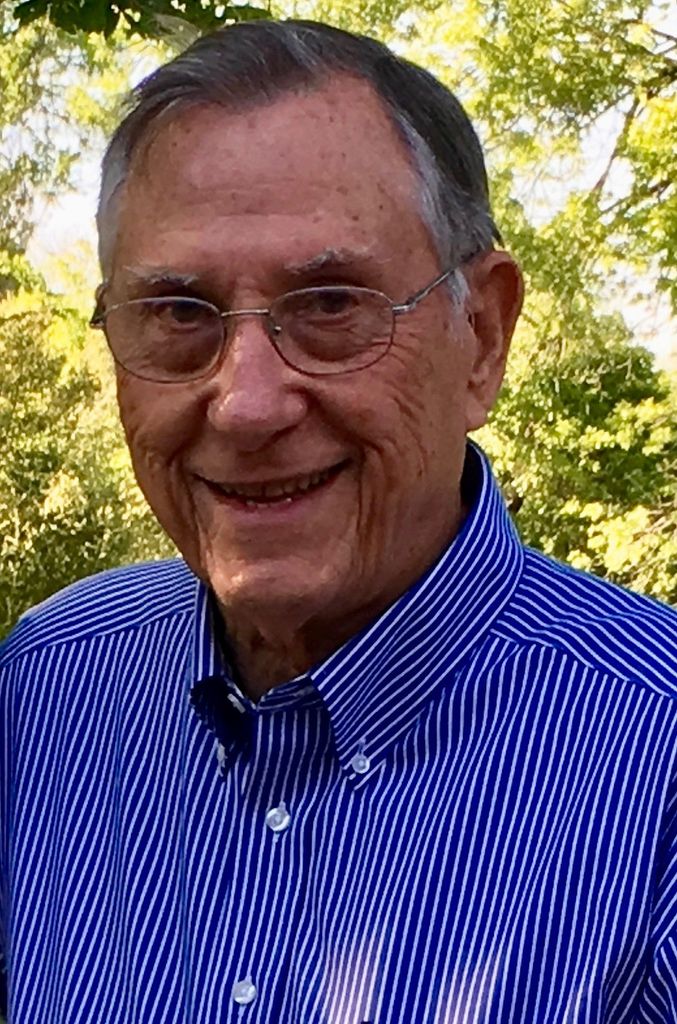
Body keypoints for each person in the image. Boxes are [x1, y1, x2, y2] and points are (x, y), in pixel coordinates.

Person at [1, 18, 676, 1024]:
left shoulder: (654, 764)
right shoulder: (47, 689)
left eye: (328, 305)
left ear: (482, 335)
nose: (246, 404)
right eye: (179, 314)